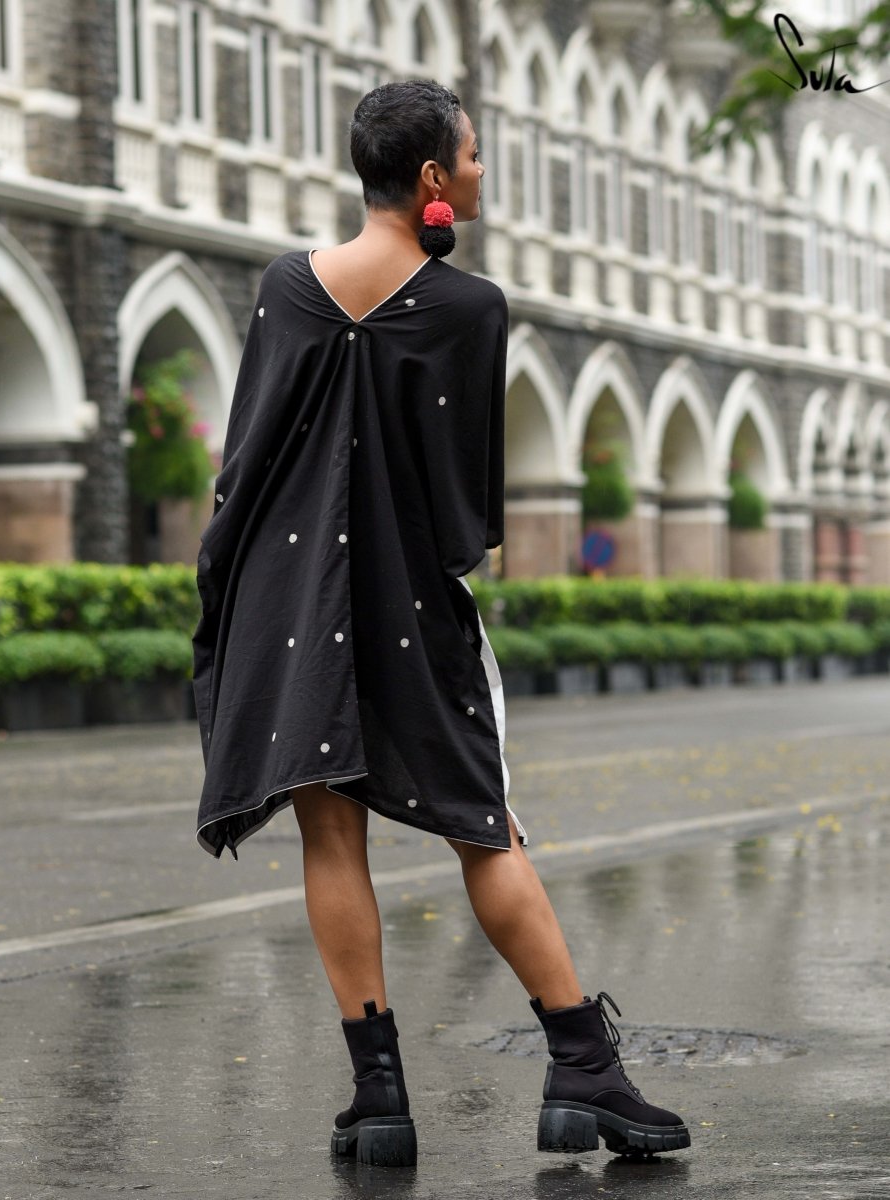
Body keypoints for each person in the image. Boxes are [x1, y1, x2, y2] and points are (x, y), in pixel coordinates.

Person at [191, 78, 690, 1170]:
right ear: (430, 177)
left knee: (330, 832)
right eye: (470, 154)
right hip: (407, 597)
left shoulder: (284, 286)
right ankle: (583, 1066)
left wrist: (238, 590)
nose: (478, 169)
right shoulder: (471, 307)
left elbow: (245, 458)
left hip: (286, 594)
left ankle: (379, 1100)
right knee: (483, 824)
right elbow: (467, 507)